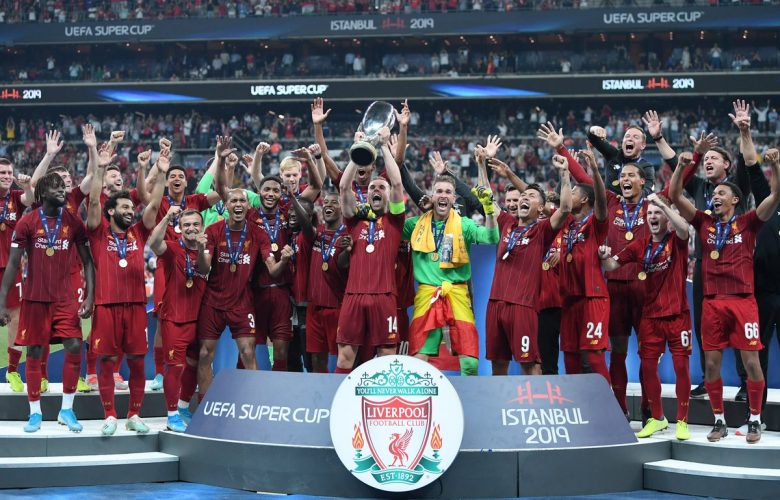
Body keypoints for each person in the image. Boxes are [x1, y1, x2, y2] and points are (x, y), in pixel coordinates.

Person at [540, 122, 709, 419]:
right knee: (617, 351)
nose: (625, 179)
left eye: (631, 175)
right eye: (622, 176)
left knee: (647, 355)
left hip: (647, 292)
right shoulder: (611, 201)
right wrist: (561, 148)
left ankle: (649, 409)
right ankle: (618, 411)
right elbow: (584, 180)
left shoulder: (654, 203)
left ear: (643, 181)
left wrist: (695, 157)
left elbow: (680, 182)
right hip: (615, 287)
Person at [669, 146, 780, 444]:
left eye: (721, 193)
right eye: (713, 194)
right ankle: (719, 420)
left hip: (743, 302)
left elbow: (775, 196)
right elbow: (675, 195)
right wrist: (680, 167)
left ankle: (755, 419)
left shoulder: (748, 222)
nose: (715, 197)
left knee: (752, 363)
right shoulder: (703, 223)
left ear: (735, 200)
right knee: (711, 366)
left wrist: (775, 167)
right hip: (712, 304)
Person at [0, 172, 94, 433]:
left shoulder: (74, 221)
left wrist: (90, 296)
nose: (62, 190)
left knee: (74, 345)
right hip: (35, 299)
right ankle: (35, 413)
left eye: (63, 187)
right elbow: (12, 264)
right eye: (55, 187)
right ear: (42, 193)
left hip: (64, 299)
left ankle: (67, 409)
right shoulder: (27, 222)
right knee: (34, 351)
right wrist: (1, 302)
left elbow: (88, 262)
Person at [600, 187, 694, 441]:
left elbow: (684, 228)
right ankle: (657, 418)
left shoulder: (676, 241)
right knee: (649, 368)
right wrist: (604, 256)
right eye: (649, 213)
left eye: (657, 213)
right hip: (650, 317)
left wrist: (663, 205)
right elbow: (613, 265)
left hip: (677, 315)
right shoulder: (639, 245)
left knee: (681, 368)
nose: (652, 216)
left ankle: (682, 421)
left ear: (666, 216)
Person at [86, 142, 167, 436]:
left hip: (135, 306)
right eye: (125, 207)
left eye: (131, 207)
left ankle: (134, 414)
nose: (131, 211)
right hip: (106, 306)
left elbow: (154, 206)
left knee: (136, 362)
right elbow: (93, 201)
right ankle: (109, 415)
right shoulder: (97, 233)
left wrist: (161, 172)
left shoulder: (138, 233)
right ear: (111, 211)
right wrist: (100, 167)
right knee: (107, 361)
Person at [404, 141, 500, 376]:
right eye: (439, 191)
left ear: (453, 198)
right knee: (419, 359)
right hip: (427, 295)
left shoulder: (465, 224)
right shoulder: (414, 224)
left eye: (448, 192)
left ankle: (470, 396)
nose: (443, 195)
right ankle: (423, 398)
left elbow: (491, 237)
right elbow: (392, 220)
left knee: (470, 363)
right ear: (431, 196)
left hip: (457, 293)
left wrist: (489, 208)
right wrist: (395, 161)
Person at [677, 101, 752, 399]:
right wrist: (661, 140)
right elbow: (676, 173)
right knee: (704, 325)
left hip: (736, 265)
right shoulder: (698, 187)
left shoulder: (737, 187)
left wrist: (744, 132)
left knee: (739, 326)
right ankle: (709, 380)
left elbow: (748, 162)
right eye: (705, 159)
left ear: (726, 165)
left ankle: (745, 383)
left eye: (713, 158)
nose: (707, 161)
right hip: (705, 265)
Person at [485, 155, 571, 375]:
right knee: (498, 364)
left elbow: (565, 209)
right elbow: (486, 198)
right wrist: (480, 165)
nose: (524, 197)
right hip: (495, 303)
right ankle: (499, 400)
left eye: (531, 196)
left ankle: (538, 398)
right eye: (523, 195)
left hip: (523, 306)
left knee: (530, 363)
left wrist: (564, 173)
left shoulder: (542, 230)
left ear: (540, 208)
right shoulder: (506, 222)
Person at [149, 143, 222, 391]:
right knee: (163, 319)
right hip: (168, 263)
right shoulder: (161, 202)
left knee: (195, 317)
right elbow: (146, 192)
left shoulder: (194, 201)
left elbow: (220, 193)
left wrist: (219, 159)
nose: (177, 179)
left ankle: (192, 376)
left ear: (186, 181)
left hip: (193, 262)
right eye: (172, 176)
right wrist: (158, 169)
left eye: (181, 175)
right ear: (167, 181)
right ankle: (160, 373)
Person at [335, 126, 405, 373]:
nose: (376, 189)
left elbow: (397, 182)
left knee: (387, 357)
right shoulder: (354, 221)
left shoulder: (395, 221)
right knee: (345, 358)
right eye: (372, 188)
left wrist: (384, 145)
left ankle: (382, 398)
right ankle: (339, 396)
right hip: (353, 295)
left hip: (384, 296)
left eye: (381, 188)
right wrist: (358, 152)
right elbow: (344, 188)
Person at [148, 207, 209, 432]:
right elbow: (154, 243)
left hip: (200, 320)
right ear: (180, 228)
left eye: (195, 224)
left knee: (195, 365)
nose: (191, 228)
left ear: (202, 227)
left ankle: (183, 407)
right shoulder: (173, 249)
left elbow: (204, 267)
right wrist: (166, 217)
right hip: (175, 319)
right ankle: (171, 415)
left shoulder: (206, 250)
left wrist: (201, 248)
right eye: (186, 225)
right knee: (175, 368)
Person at [557, 148, 611, 383]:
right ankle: (576, 403)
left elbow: (602, 200)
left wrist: (595, 170)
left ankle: (608, 402)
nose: (569, 195)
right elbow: (552, 205)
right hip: (569, 299)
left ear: (585, 199)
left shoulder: (596, 223)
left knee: (595, 356)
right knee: (570, 357)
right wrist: (564, 175)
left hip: (592, 297)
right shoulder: (567, 222)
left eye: (574, 192)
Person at [304, 193, 351, 373]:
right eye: (325, 202)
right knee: (316, 358)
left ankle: (339, 389)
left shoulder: (347, 235)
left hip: (337, 307)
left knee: (341, 357)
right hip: (314, 308)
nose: (328, 205)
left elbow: (343, 264)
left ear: (342, 208)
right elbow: (304, 223)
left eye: (334, 202)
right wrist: (292, 198)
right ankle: (319, 390)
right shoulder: (317, 232)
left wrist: (347, 251)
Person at [0, 158, 34, 393]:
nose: (6, 176)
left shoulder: (14, 198)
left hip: (10, 268)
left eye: (9, 172)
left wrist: (28, 186)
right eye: (2, 172)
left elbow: (29, 200)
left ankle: (12, 370)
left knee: (16, 318)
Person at [586, 110, 678, 194]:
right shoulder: (614, 155)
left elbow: (648, 190)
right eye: (627, 136)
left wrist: (628, 197)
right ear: (623, 142)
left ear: (643, 145)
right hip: (609, 206)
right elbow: (593, 138)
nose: (630, 139)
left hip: (633, 206)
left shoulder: (646, 167)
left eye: (635, 137)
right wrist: (594, 129)